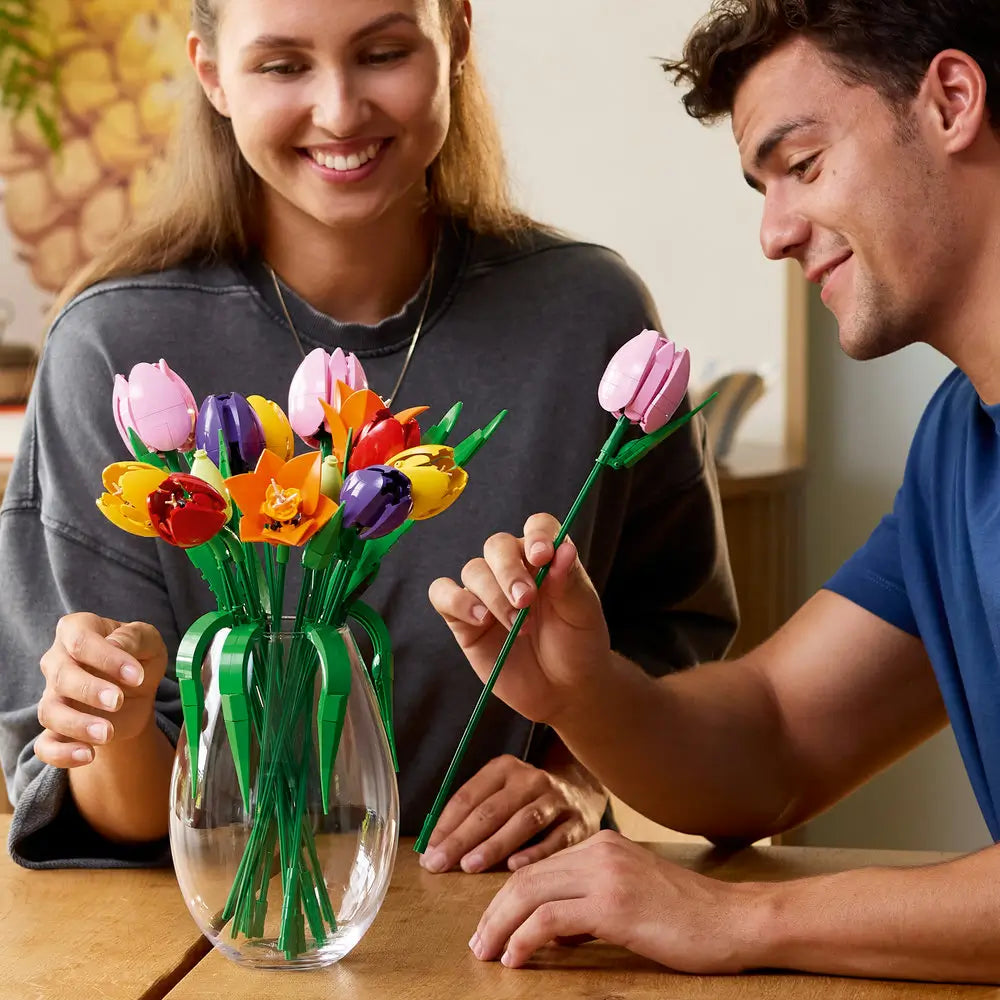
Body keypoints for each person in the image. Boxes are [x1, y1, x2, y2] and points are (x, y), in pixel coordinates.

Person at [0, 0, 736, 871]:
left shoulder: (589, 317)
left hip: (509, 907)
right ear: (212, 74)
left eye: (383, 52)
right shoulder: (111, 352)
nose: (341, 111)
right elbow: (114, 810)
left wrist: (576, 771)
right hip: (213, 924)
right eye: (283, 66)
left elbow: (674, 635)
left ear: (456, 35)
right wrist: (112, 723)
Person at [429, 0, 1000, 984]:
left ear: (950, 100)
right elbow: (776, 738)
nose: (773, 234)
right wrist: (581, 691)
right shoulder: (960, 441)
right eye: (762, 186)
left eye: (803, 164)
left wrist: (740, 918)